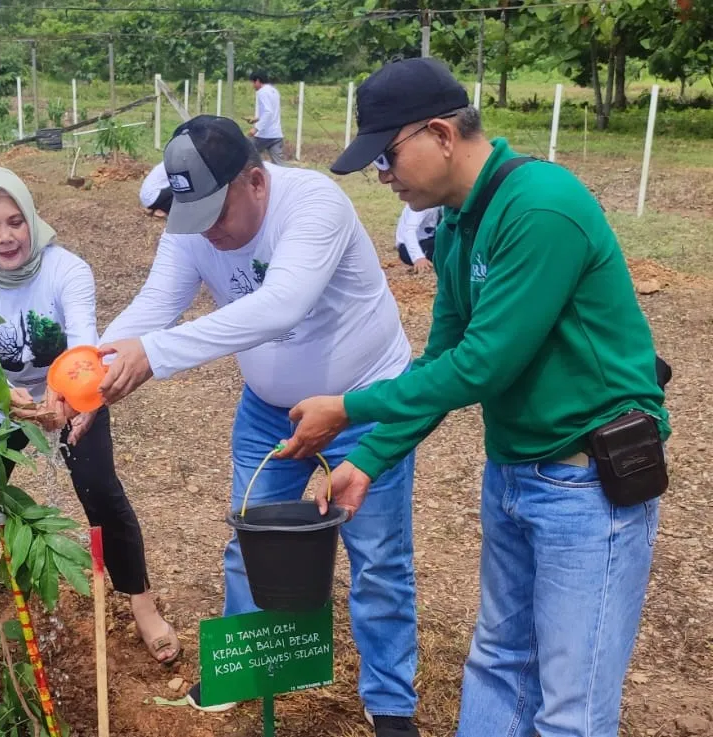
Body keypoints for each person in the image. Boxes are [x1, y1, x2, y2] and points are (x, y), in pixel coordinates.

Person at [284, 57, 670, 737]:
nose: (383, 176)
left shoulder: (540, 206)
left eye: (388, 156)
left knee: (570, 704)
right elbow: (446, 362)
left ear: (439, 133)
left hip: (587, 487)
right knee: (498, 660)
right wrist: (368, 460)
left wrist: (346, 408)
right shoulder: (461, 222)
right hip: (518, 473)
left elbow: (484, 366)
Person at [92, 115, 422, 737]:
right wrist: (87, 374)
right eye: (194, 218)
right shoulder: (194, 217)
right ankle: (242, 670)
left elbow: (281, 306)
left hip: (363, 400)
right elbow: (154, 306)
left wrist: (156, 355)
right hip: (269, 408)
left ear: (255, 181)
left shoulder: (313, 204)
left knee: (377, 556)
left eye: (218, 215)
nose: (207, 233)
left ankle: (391, 702)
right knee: (249, 537)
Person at [0, 166, 181, 664]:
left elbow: (83, 345)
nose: (5, 236)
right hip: (0, 401)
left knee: (101, 491)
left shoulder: (68, 269)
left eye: (14, 221)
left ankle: (141, 601)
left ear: (32, 219)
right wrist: (14, 403)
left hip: (71, 394)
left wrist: (67, 400)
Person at [248, 71, 285, 165]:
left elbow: (268, 112)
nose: (253, 85)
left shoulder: (262, 92)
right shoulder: (274, 91)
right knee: (279, 165)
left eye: (253, 82)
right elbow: (270, 111)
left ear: (258, 81)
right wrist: (256, 119)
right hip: (276, 134)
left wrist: (256, 128)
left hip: (263, 135)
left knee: (246, 154)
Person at [394, 203, 439, 273]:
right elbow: (408, 231)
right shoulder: (421, 201)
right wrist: (418, 257)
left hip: (430, 239)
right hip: (408, 247)